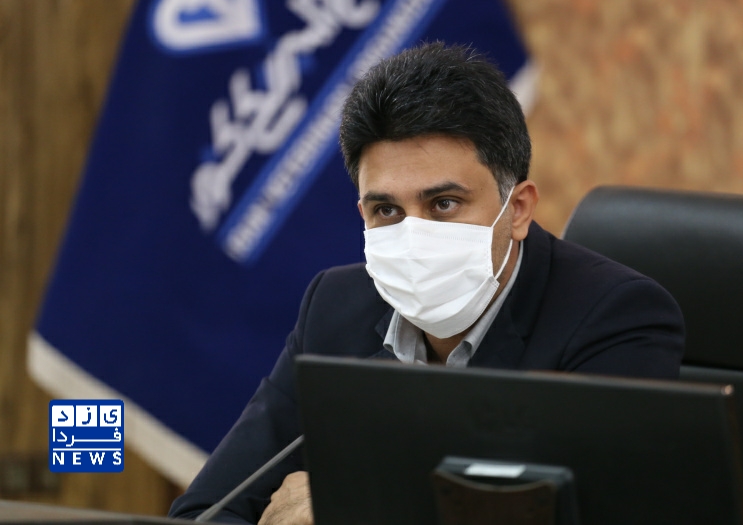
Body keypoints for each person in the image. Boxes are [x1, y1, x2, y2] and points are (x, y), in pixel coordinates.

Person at [169, 42, 685, 525]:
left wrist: (354, 507)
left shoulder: (617, 318)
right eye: (387, 210)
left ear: (518, 209)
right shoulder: (334, 307)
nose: (413, 235)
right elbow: (207, 509)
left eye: (443, 204)